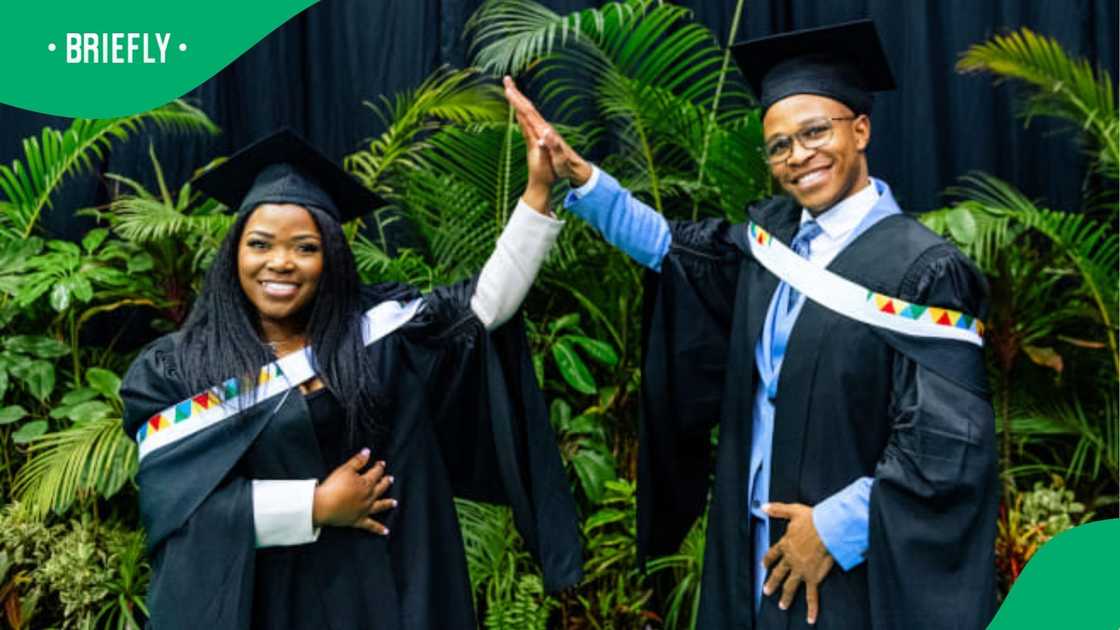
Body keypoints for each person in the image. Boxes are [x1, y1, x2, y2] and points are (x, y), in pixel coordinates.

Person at [505, 19, 997, 630]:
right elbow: (672, 249)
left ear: (861, 129)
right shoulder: (771, 245)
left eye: (816, 132)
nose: (799, 157)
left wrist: (834, 529)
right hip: (749, 553)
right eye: (779, 145)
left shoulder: (922, 271)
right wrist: (579, 178)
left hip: (847, 569)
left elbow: (946, 448)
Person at [120, 128, 582, 629]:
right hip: (267, 602)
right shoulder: (180, 370)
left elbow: (485, 306)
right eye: (260, 244)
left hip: (383, 588)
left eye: (304, 247)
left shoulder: (381, 335)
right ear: (235, 254)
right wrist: (315, 506)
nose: (280, 262)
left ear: (330, 260)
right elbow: (178, 508)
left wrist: (538, 192)